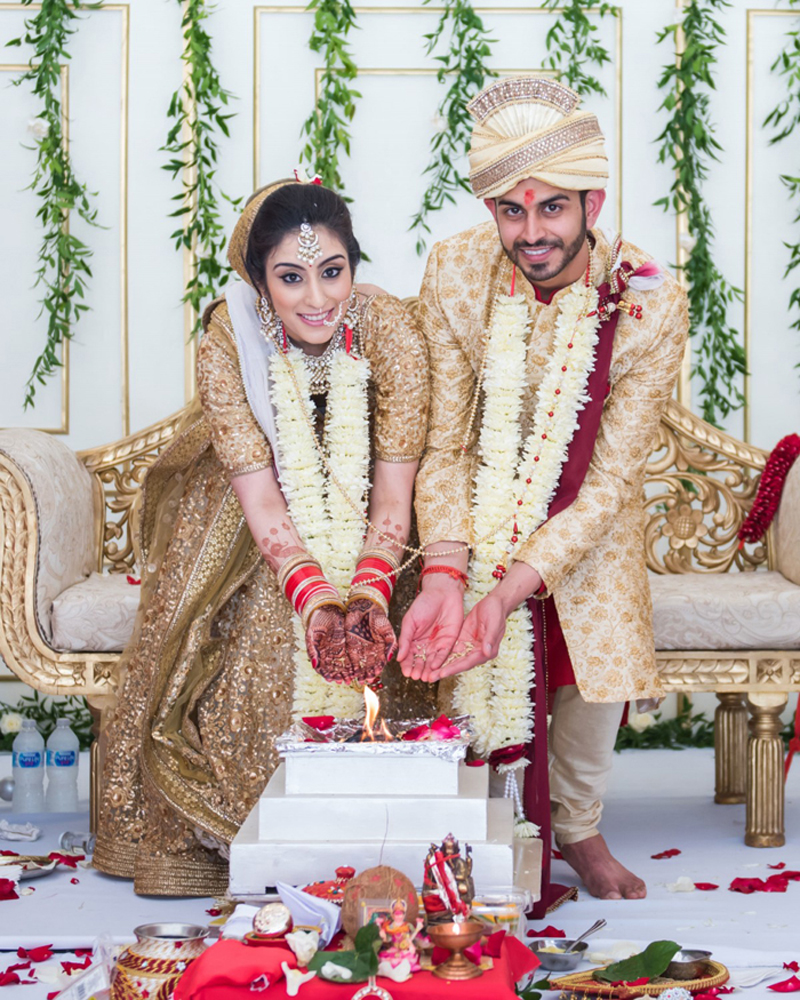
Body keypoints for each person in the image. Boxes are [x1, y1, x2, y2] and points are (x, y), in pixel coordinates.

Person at [93, 177, 433, 896]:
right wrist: (314, 602)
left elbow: (396, 490)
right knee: (248, 623)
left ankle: (372, 816)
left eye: (332, 271)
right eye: (290, 277)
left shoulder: (392, 332)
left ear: (353, 267)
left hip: (372, 512)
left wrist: (366, 590)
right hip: (251, 509)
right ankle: (244, 817)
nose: (317, 297)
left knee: (386, 628)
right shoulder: (229, 337)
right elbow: (260, 497)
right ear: (257, 281)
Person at [398, 75, 690, 905]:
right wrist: (455, 573)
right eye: (511, 212)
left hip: (589, 518)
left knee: (590, 665)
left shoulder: (649, 300)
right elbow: (444, 443)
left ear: (592, 202)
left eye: (552, 209)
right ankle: (482, 832)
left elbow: (611, 482)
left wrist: (515, 588)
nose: (531, 233)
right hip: (479, 512)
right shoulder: (456, 270)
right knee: (470, 655)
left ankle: (580, 827)